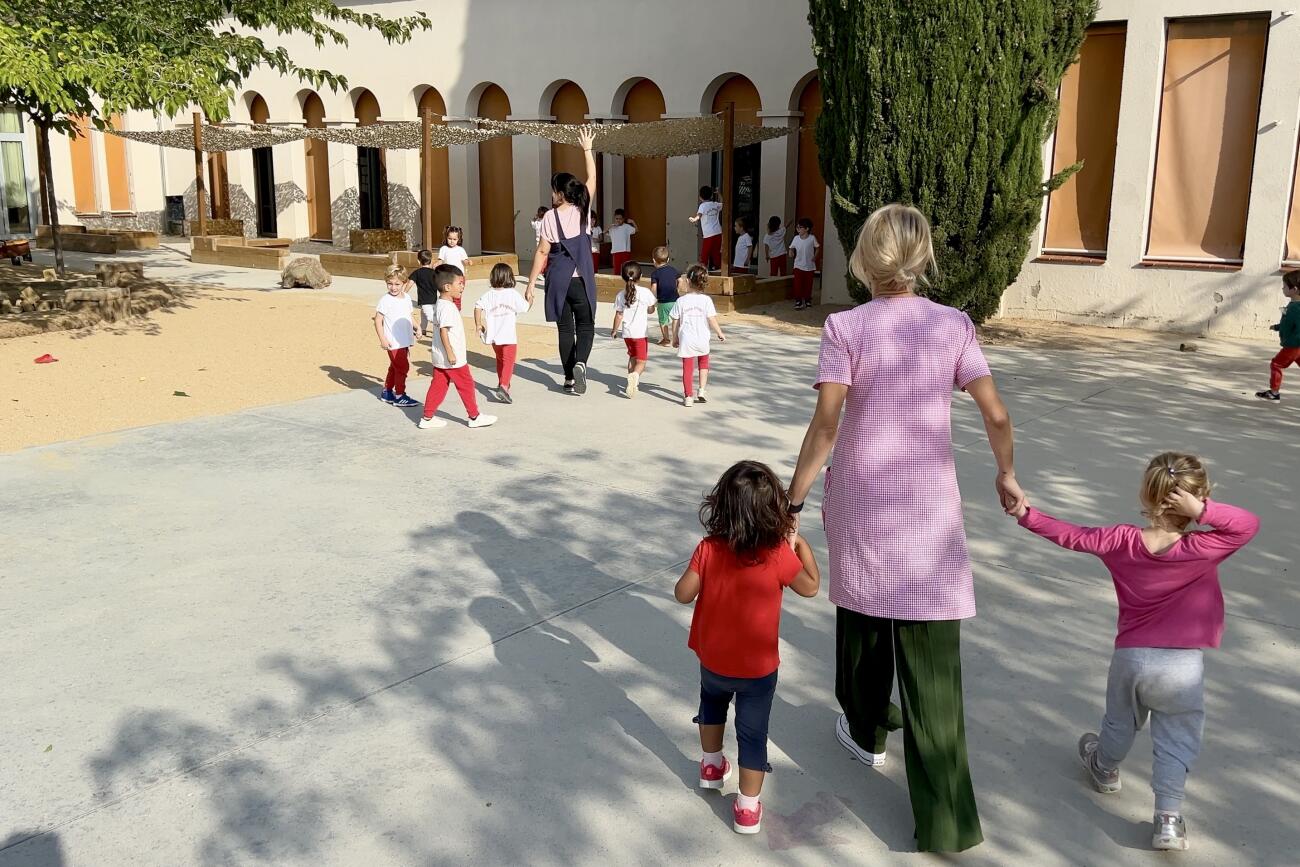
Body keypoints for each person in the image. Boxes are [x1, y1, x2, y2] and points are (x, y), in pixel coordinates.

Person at [786, 203, 1025, 853]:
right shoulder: (953, 325)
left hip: (864, 499)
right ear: (921, 260)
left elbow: (827, 423)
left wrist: (794, 497)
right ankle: (945, 820)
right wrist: (1006, 473)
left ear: (864, 259)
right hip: (929, 511)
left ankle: (866, 730)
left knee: (862, 613)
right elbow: (995, 413)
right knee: (931, 649)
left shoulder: (845, 327)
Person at [1011, 453, 1259, 852]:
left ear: (1147, 493)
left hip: (1131, 656)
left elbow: (1070, 534)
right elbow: (1248, 524)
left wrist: (1026, 513)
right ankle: (1168, 820)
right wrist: (1204, 511)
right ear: (1198, 497)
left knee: (1120, 721)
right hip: (1182, 666)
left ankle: (1104, 768)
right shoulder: (1204, 546)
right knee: (1176, 738)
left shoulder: (1121, 540)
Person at [674, 460, 821, 835]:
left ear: (722, 505)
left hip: (713, 662)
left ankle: (711, 767)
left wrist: (697, 571)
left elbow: (683, 594)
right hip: (757, 670)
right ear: (773, 511)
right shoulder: (778, 554)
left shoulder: (708, 548)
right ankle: (747, 808)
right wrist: (800, 546)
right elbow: (811, 587)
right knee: (753, 735)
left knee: (711, 706)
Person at [526, 127, 599, 396]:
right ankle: (581, 364)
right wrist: (587, 149)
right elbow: (592, 177)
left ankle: (568, 378)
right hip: (580, 280)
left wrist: (530, 284)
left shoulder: (549, 217)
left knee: (565, 329)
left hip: (557, 280)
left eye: (553, 190)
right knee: (586, 325)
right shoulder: (583, 210)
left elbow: (542, 252)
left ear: (559, 193)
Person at [419, 264, 497, 430]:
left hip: (440, 357)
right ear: (448, 287)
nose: (463, 286)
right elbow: (444, 331)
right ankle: (474, 416)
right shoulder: (447, 307)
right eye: (459, 283)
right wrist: (451, 353)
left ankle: (427, 417)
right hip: (452, 358)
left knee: (439, 385)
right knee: (466, 384)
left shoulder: (441, 304)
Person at [474, 262, 532, 404]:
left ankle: (502, 383)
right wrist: (530, 299)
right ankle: (504, 386)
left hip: (494, 337)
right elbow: (525, 308)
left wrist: (478, 324)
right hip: (508, 336)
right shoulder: (512, 294)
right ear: (509, 277)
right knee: (509, 362)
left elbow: (477, 307)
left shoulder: (488, 295)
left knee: (500, 360)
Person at [671, 263, 726, 407]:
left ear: (688, 281)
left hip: (687, 339)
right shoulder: (706, 300)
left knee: (688, 368)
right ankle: (701, 390)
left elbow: (675, 320)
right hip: (702, 338)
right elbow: (711, 319)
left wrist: (674, 337)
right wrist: (719, 332)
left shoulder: (680, 301)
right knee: (703, 364)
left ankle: (688, 396)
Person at [373, 264, 421, 408]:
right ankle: (400, 395)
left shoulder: (406, 298)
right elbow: (378, 320)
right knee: (402, 367)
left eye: (397, 284)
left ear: (404, 283)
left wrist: (417, 326)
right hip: (393, 341)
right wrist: (382, 339)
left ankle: (387, 391)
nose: (393, 287)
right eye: (390, 284)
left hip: (404, 339)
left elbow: (408, 315)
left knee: (395, 367)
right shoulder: (386, 300)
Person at [611, 261, 656, 398]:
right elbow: (651, 309)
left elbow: (619, 315)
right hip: (640, 333)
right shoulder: (645, 292)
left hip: (627, 333)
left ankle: (630, 380)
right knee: (641, 361)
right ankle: (635, 377)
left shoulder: (621, 295)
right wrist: (649, 308)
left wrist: (614, 330)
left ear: (623, 276)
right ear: (640, 276)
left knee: (632, 357)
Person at [1255, 269, 1300, 401]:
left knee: (1276, 364)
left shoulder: (1295, 308)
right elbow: (1288, 324)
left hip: (1293, 345)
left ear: (1294, 289)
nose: (1282, 288)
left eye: (1284, 286)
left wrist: (1294, 341)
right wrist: (1277, 327)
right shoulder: (1294, 305)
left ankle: (1274, 393)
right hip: (1296, 345)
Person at [435, 226, 474, 309]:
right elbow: (440, 260)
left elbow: (464, 260)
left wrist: (468, 262)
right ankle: (447, 308)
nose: (452, 241)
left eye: (454, 239)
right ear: (446, 237)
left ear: (458, 239)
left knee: (457, 294)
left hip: (459, 276)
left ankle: (457, 310)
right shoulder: (443, 249)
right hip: (447, 276)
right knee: (447, 293)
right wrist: (436, 264)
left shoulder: (460, 250)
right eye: (450, 239)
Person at [650, 246, 681, 347]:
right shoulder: (673, 270)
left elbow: (654, 288)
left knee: (663, 321)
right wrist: (677, 289)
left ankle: (666, 340)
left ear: (654, 260)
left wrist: (652, 301)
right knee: (677, 319)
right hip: (675, 300)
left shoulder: (655, 274)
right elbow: (680, 280)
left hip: (663, 302)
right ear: (668, 260)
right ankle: (677, 338)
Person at [688, 186, 724, 270]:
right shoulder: (715, 204)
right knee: (716, 253)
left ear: (700, 197)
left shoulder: (703, 206)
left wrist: (694, 219)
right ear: (711, 196)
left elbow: (699, 215)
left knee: (705, 254)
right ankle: (720, 269)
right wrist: (719, 194)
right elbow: (723, 203)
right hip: (718, 232)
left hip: (708, 234)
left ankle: (702, 271)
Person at [788, 218, 820, 310]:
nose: (798, 229)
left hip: (809, 266)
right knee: (797, 284)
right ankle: (798, 301)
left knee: (808, 284)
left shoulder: (812, 238)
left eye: (800, 227)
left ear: (807, 229)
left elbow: (817, 247)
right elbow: (791, 247)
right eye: (797, 227)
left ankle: (807, 300)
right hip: (798, 265)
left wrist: (815, 257)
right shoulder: (796, 238)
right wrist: (791, 252)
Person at [410, 249, 438, 338]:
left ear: (418, 261)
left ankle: (442, 328)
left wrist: (403, 293)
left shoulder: (417, 273)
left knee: (431, 317)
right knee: (423, 314)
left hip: (425, 301)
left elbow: (409, 283)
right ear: (431, 260)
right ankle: (423, 329)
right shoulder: (435, 273)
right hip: (434, 299)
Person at [607, 209, 638, 276]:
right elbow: (604, 232)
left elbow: (636, 230)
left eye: (620, 219)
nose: (618, 220)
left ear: (623, 219)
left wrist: (633, 222)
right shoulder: (612, 228)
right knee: (616, 270)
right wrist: (610, 226)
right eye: (616, 219)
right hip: (615, 251)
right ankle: (616, 281)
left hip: (625, 251)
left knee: (626, 269)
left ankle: (627, 280)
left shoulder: (626, 226)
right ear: (614, 218)